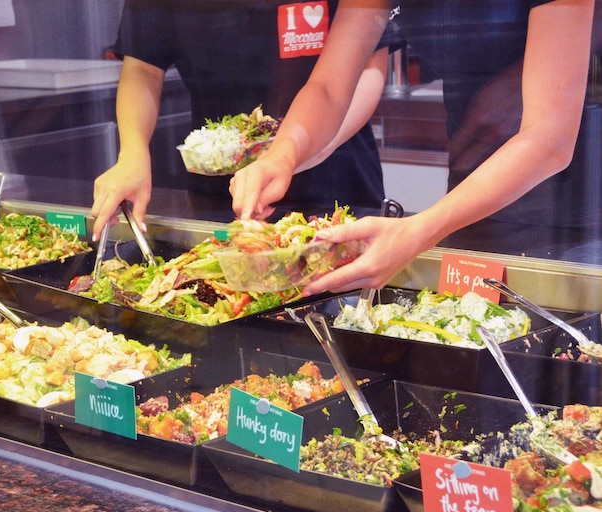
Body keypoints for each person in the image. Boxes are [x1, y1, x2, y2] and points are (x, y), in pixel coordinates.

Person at [230, 0, 596, 294]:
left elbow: (549, 139)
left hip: (577, 212)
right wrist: (283, 154)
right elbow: (328, 87)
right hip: (475, 194)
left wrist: (419, 230)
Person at [91, 0, 395, 240]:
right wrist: (132, 153)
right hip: (222, 191)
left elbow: (356, 71)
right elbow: (143, 67)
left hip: (335, 178)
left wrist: (294, 152)